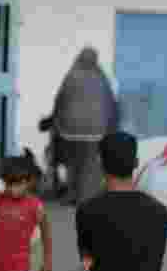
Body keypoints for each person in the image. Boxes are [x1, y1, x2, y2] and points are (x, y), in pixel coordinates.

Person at [76, 132, 167, 271]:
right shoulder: (159, 212)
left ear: (100, 162)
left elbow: (86, 264)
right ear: (136, 162)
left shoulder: (88, 211)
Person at [51, 47, 119, 207]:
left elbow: (60, 100)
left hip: (70, 130)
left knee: (72, 164)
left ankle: (71, 196)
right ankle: (85, 198)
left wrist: (56, 120)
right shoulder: (101, 78)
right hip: (95, 131)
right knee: (90, 165)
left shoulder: (71, 76)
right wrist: (112, 126)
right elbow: (111, 104)